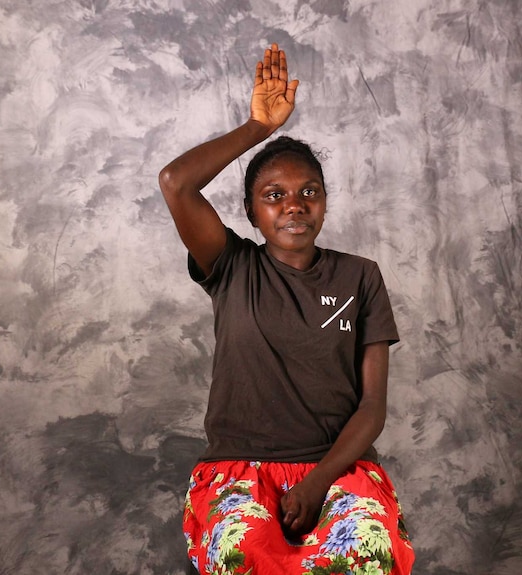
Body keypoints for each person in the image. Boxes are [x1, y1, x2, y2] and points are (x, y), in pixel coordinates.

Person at [159, 42, 414, 575]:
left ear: (323, 203)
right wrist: (258, 128)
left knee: (363, 552)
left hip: (339, 469)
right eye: (274, 195)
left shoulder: (359, 275)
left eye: (308, 191)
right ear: (250, 213)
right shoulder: (231, 266)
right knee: (243, 555)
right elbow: (175, 183)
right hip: (238, 473)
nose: (294, 204)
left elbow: (372, 409)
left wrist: (318, 481)